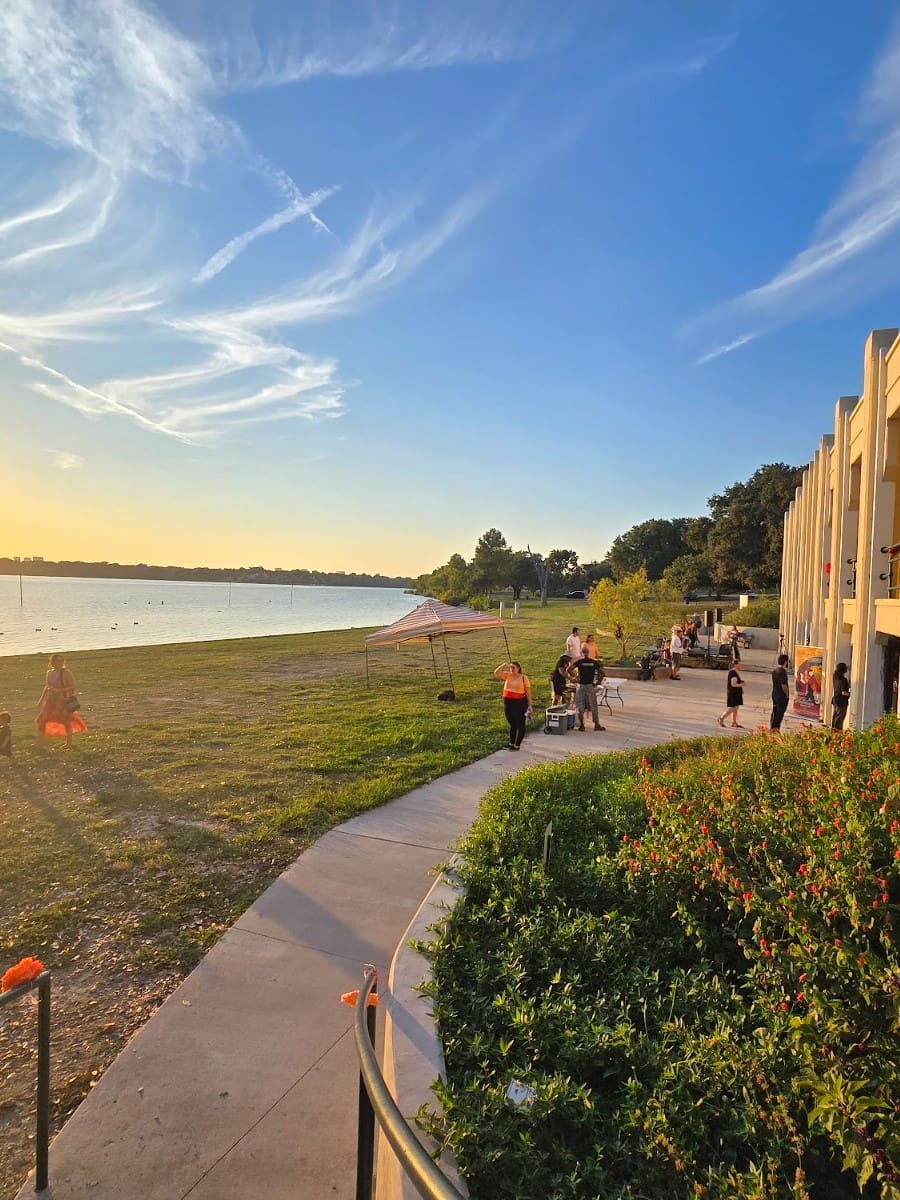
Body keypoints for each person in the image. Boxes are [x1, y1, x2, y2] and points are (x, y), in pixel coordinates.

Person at [35, 653, 87, 749]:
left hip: (63, 700)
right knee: (42, 719)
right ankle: (39, 743)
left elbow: (73, 686)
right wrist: (41, 700)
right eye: (57, 661)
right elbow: (47, 687)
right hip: (51, 700)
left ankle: (69, 743)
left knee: (65, 721)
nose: (59, 663)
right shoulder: (49, 673)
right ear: (52, 662)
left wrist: (59, 690)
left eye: (61, 661)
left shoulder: (66, 672)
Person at [494, 661, 533, 751]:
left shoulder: (524, 678)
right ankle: (511, 743)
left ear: (518, 668)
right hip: (508, 703)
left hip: (519, 703)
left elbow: (528, 692)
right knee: (512, 723)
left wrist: (530, 705)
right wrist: (504, 665)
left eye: (513, 667)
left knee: (520, 724)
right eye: (510, 667)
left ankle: (517, 745)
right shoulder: (508, 675)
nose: (511, 669)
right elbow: (496, 672)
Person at [567, 649, 606, 731]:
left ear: (581, 653)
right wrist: (597, 682)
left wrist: (576, 677)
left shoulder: (579, 662)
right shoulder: (594, 662)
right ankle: (596, 725)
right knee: (593, 705)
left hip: (581, 686)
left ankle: (582, 725)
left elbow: (568, 669)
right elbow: (602, 673)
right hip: (590, 686)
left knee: (580, 706)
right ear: (588, 653)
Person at [771, 653, 790, 731]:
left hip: (775, 694)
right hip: (781, 696)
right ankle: (776, 729)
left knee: (775, 712)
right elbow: (784, 686)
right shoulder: (782, 672)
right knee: (780, 713)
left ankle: (772, 727)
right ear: (785, 662)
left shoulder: (775, 671)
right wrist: (787, 695)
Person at [831, 662, 850, 730]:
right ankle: (837, 733)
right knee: (839, 719)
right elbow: (844, 692)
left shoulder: (835, 677)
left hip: (835, 700)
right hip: (842, 702)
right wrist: (850, 693)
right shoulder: (843, 680)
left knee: (835, 717)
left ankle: (833, 732)